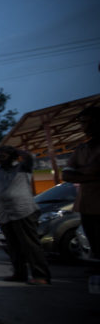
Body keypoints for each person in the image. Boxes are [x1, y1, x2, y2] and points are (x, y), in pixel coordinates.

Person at [0, 145, 51, 285]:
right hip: (4, 214)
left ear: (13, 156)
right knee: (13, 246)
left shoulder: (23, 168)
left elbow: (30, 157)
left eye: (4, 155)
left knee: (30, 245)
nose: (0, 157)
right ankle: (19, 273)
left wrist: (18, 151)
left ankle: (41, 275)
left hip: (23, 212)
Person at [62, 106, 100, 260]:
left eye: (86, 122)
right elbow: (66, 175)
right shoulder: (82, 149)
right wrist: (93, 174)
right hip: (87, 207)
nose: (83, 127)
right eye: (82, 123)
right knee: (96, 248)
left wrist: (80, 171)